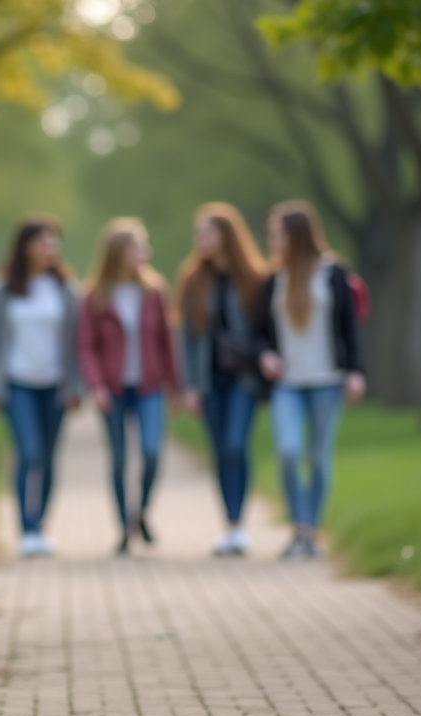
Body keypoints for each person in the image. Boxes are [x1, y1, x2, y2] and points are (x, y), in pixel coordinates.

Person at [256, 200, 366, 559]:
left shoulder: (333, 273)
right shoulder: (273, 279)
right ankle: (299, 527)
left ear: (297, 235)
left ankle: (310, 531)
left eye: (278, 234)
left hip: (327, 380)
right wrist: (265, 355)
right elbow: (261, 332)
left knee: (318, 458)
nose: (273, 241)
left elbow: (349, 326)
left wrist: (356, 371)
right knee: (288, 452)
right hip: (287, 383)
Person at [0, 215, 83, 557]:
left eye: (54, 242)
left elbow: (76, 343)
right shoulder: (2, 289)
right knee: (30, 453)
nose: (49, 248)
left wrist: (76, 387)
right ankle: (26, 530)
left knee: (49, 459)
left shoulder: (67, 289)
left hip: (56, 385)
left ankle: (40, 529)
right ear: (24, 246)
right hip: (17, 383)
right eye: (42, 241)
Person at [77, 218, 179, 555]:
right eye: (137, 246)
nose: (144, 252)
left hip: (149, 386)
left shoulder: (155, 291)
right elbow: (86, 346)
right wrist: (96, 386)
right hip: (113, 390)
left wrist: (175, 386)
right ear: (118, 252)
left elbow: (167, 341)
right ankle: (123, 528)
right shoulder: (94, 296)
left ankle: (141, 512)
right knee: (119, 460)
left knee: (151, 453)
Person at [175, 203, 268, 557]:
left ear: (227, 236)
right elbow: (187, 336)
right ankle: (229, 525)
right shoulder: (194, 279)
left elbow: (264, 328)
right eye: (198, 233)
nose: (200, 239)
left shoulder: (253, 277)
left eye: (207, 233)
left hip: (243, 378)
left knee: (235, 445)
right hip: (209, 380)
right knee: (219, 451)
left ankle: (239, 523)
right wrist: (189, 385)